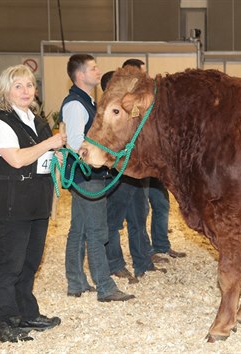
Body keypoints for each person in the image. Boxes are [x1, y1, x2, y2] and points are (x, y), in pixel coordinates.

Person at [0, 64, 65, 343]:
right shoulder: (0, 122)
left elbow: (42, 159)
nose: (25, 91)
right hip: (12, 202)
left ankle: (26, 313)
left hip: (37, 200)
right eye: (17, 86)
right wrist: (49, 145)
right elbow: (17, 159)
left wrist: (57, 156)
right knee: (10, 265)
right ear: (6, 91)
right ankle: (4, 321)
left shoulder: (38, 122)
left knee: (30, 262)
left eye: (29, 85)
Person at [60, 54, 134, 302]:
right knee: (97, 231)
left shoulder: (89, 103)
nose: (97, 71)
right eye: (93, 68)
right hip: (86, 174)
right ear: (80, 75)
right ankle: (105, 286)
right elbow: (73, 141)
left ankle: (76, 281)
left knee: (79, 229)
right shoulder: (75, 104)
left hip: (87, 174)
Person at [100, 70, 164, 282]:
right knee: (114, 221)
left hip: (135, 172)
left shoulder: (131, 114)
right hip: (117, 174)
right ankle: (115, 264)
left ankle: (142, 261)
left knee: (139, 217)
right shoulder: (106, 115)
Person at [121, 59, 186, 262]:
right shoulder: (125, 101)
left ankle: (162, 245)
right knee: (141, 210)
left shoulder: (149, 99)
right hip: (138, 163)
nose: (147, 77)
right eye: (142, 73)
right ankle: (145, 252)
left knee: (161, 204)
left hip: (155, 160)